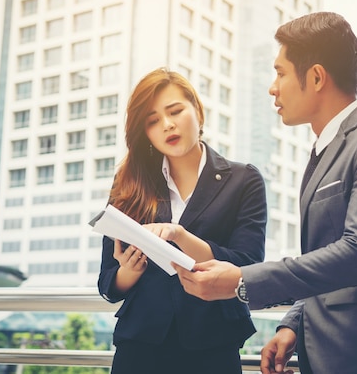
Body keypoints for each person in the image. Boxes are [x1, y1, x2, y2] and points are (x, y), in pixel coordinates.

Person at [173, 12, 357, 374]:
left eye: (280, 73)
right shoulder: (322, 152)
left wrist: (242, 280)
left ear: (315, 77)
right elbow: (324, 262)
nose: (272, 87)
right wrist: (293, 324)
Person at [97, 67, 267, 374]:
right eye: (152, 121)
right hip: (140, 348)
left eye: (175, 111)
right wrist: (128, 272)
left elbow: (248, 265)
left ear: (197, 111)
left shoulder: (243, 179)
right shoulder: (130, 184)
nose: (167, 124)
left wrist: (180, 237)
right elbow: (107, 285)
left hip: (212, 345)